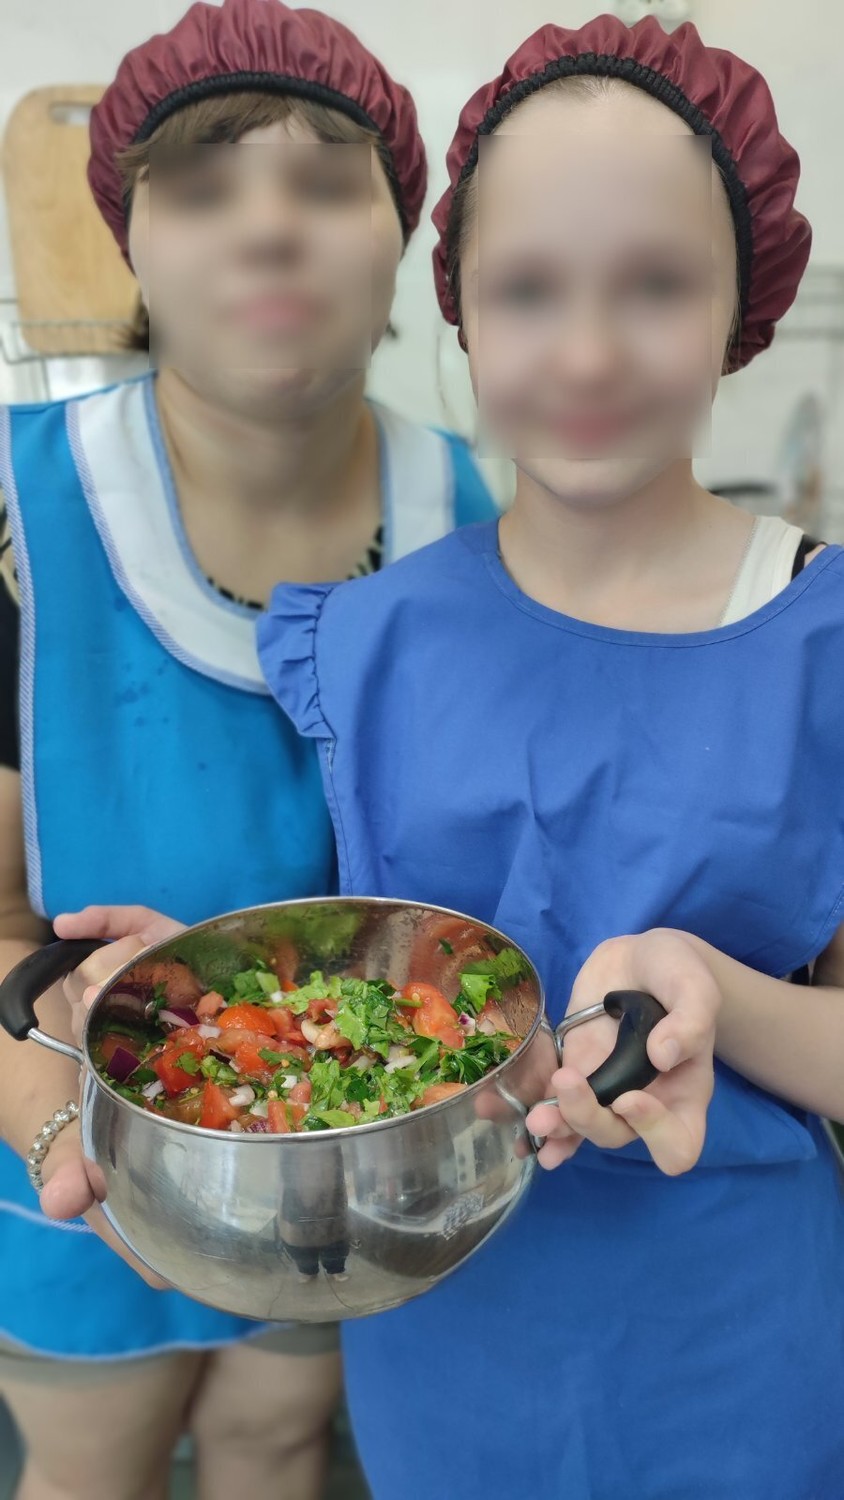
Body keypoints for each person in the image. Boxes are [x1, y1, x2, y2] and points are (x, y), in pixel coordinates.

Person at [254, 16, 844, 1498]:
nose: (587, 352)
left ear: (747, 301)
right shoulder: (363, 643)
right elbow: (345, 994)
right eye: (529, 290)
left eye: (656, 285)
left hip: (736, 1331)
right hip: (442, 1320)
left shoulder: (825, 641)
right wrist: (208, 995)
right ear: (458, 306)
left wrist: (720, 996)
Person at [0, 2, 496, 1496]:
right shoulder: (24, 519)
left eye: (328, 183)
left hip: (345, 1145)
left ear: (403, 239)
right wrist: (49, 1113)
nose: (270, 228)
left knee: (278, 1441)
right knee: (91, 1454)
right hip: (64, 1123)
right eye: (207, 188)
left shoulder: (475, 521)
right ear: (130, 242)